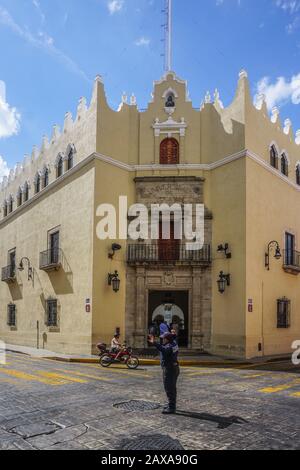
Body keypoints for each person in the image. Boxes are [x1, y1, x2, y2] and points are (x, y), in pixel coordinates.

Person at [148, 332, 180, 415]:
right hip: (174, 368)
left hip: (170, 370)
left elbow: (164, 350)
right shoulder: (173, 343)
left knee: (169, 388)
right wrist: (173, 334)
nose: (162, 339)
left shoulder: (169, 346)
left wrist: (154, 343)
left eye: (164, 338)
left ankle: (172, 407)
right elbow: (166, 346)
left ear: (168, 339)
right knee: (172, 387)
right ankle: (171, 404)